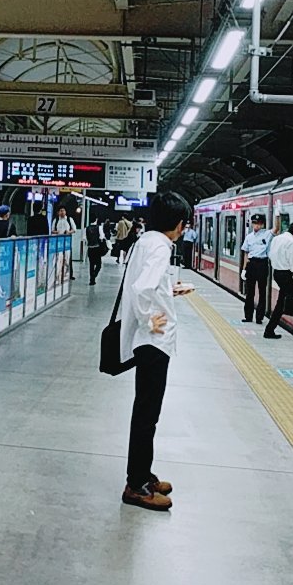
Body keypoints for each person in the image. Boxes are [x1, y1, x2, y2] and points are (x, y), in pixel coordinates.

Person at [120, 192, 195, 512]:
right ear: (179, 225)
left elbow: (147, 284)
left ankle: (143, 474)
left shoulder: (147, 241)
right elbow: (141, 288)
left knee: (146, 412)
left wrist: (170, 291)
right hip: (154, 342)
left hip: (148, 341)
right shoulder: (161, 247)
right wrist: (151, 319)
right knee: (147, 414)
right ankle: (136, 485)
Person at [265, 220, 293, 339]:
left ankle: (270, 329)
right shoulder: (291, 242)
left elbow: (270, 254)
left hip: (277, 273)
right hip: (286, 275)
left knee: (282, 301)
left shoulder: (277, 238)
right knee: (286, 303)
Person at [240, 213, 272, 325]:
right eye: (255, 223)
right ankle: (248, 316)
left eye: (259, 224)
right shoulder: (249, 237)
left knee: (262, 292)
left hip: (262, 263)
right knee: (250, 292)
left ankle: (259, 317)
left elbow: (276, 229)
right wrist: (244, 269)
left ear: (263, 224)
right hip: (251, 264)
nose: (256, 226)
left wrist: (278, 214)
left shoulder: (267, 234)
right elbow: (246, 253)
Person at [53, 205, 75, 278]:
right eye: (61, 211)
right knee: (58, 258)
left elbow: (74, 229)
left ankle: (69, 274)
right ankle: (58, 274)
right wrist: (56, 232)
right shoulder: (56, 220)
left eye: (63, 210)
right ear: (58, 212)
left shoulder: (69, 219)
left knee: (67, 258)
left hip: (67, 241)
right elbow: (52, 230)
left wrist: (68, 232)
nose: (62, 212)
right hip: (58, 242)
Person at [85, 215, 105, 285]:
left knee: (91, 264)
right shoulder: (99, 227)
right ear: (96, 219)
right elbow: (102, 237)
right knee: (99, 264)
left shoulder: (87, 228)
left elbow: (85, 238)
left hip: (90, 248)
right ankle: (94, 276)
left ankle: (91, 279)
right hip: (97, 248)